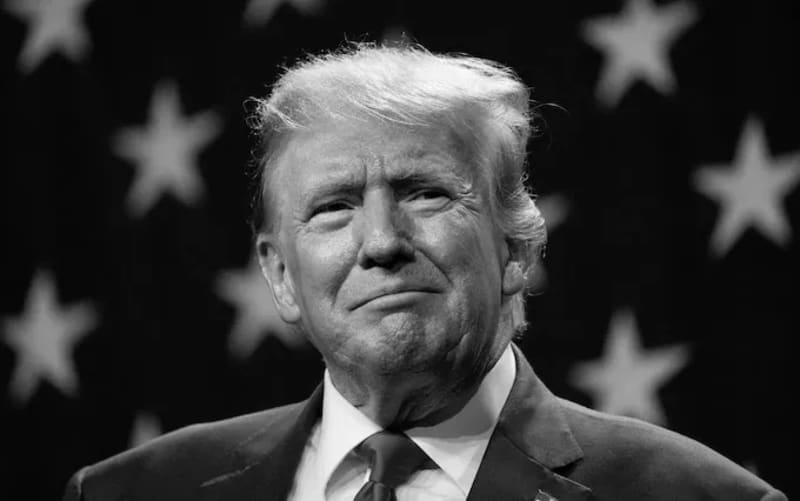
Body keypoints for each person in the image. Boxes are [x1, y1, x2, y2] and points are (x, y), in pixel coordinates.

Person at [63, 43, 786, 501]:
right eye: (334, 207)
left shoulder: (700, 496)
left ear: (516, 248)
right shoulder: (131, 491)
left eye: (424, 192)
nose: (380, 241)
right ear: (280, 276)